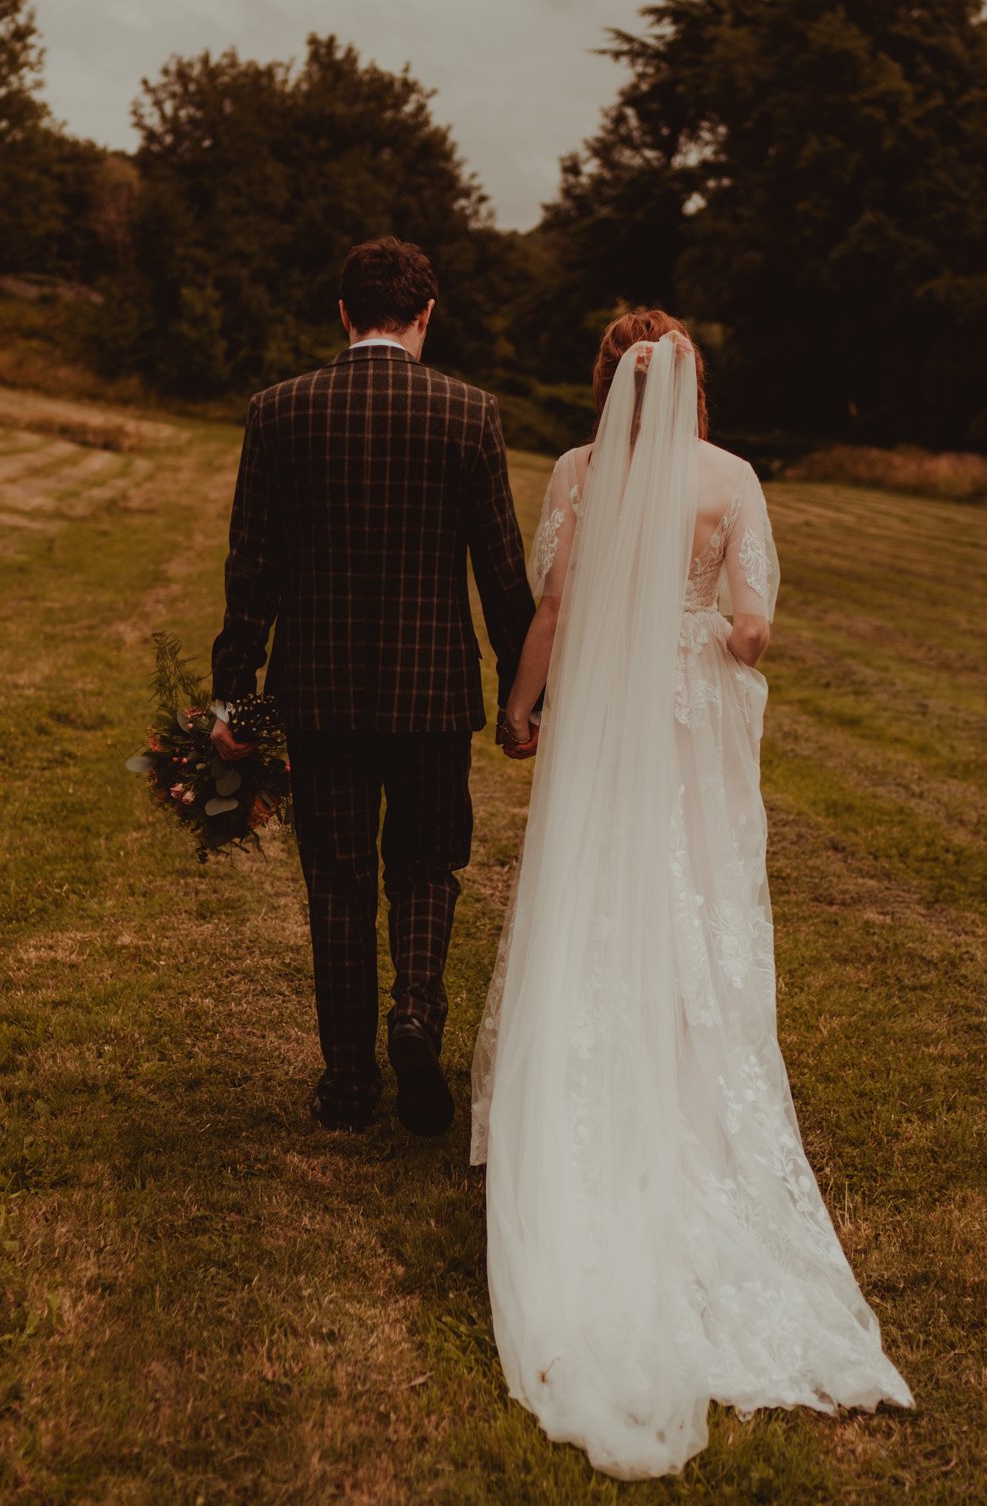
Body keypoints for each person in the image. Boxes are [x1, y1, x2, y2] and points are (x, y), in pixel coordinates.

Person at [469, 309, 911, 1478]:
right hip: (685, 708)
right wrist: (713, 630)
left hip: (605, 707)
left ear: (608, 384)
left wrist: (521, 706)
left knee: (592, 882)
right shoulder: (732, 478)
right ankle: (681, 1074)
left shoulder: (576, 470)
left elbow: (554, 608)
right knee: (692, 894)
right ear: (692, 386)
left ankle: (579, 1080)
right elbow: (756, 627)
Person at [210, 237, 538, 1137]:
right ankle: (416, 1014)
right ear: (424, 315)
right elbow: (503, 576)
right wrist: (525, 696)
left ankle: (349, 1082)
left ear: (343, 313)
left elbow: (253, 570)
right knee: (428, 865)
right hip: (432, 692)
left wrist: (235, 697)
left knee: (339, 882)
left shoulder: (279, 411)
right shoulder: (470, 414)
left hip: (317, 693)